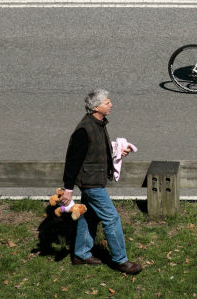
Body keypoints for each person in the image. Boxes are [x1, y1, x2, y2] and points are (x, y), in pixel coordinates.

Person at [59, 89, 143, 275]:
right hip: (91, 182)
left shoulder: (98, 124)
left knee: (89, 215)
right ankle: (121, 260)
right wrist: (68, 189)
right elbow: (72, 160)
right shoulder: (84, 129)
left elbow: (97, 150)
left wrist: (118, 152)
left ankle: (81, 254)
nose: (110, 104)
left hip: (95, 178)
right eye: (107, 102)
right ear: (96, 107)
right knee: (111, 218)